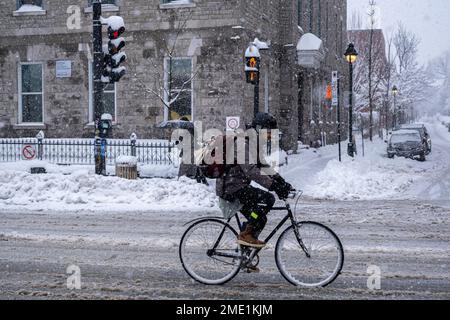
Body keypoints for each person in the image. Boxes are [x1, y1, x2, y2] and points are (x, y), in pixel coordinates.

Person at [216, 113, 293, 248]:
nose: (270, 137)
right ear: (258, 129)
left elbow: (262, 165)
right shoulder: (242, 143)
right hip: (231, 187)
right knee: (267, 201)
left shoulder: (252, 143)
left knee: (259, 217)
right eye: (268, 133)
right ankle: (246, 234)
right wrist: (273, 186)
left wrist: (280, 181)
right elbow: (251, 170)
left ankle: (245, 253)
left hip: (239, 186)